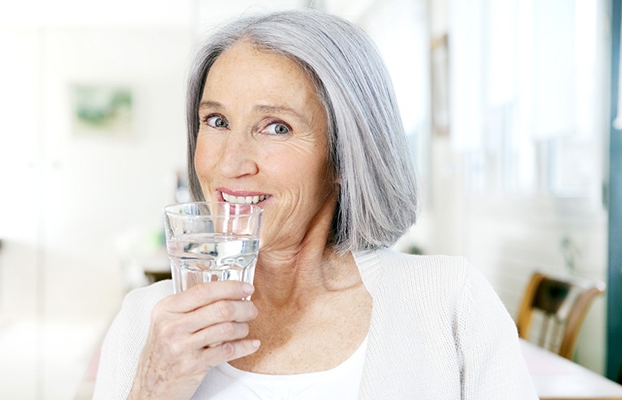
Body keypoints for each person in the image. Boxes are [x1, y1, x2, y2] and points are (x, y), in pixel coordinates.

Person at [93, 9, 538, 399]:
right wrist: (151, 392)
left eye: (276, 127)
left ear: (346, 154)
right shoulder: (146, 320)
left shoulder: (450, 302)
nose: (231, 162)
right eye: (216, 120)